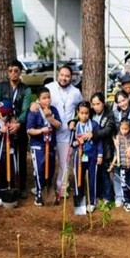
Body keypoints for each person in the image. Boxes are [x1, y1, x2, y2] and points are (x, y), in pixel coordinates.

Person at [0, 61, 31, 206]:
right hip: (4, 124)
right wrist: (5, 117)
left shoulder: (26, 89)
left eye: (16, 70)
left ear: (20, 72)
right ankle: (1, 186)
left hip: (19, 127)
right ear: (7, 73)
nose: (13, 73)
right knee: (2, 157)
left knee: (19, 157)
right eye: (11, 71)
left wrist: (19, 122)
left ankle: (20, 187)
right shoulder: (1, 86)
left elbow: (26, 108)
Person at [45, 64, 85, 202]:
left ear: (71, 78)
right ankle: (44, 187)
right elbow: (39, 101)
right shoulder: (49, 88)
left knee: (64, 163)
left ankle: (61, 189)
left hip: (66, 133)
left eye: (67, 76)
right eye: (62, 75)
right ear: (58, 75)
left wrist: (74, 120)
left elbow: (80, 110)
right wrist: (34, 104)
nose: (64, 78)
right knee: (47, 162)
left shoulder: (76, 92)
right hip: (48, 132)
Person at [25, 88, 61, 206]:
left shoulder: (53, 110)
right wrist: (41, 130)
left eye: (48, 97)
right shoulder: (34, 111)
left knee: (50, 169)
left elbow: (59, 125)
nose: (47, 100)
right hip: (38, 146)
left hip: (51, 145)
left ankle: (49, 189)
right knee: (39, 169)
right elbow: (29, 130)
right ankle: (39, 193)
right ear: (38, 100)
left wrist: (50, 118)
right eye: (44, 98)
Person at [70, 100, 99, 215]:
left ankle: (92, 202)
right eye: (81, 113)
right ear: (77, 113)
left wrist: (100, 154)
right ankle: (80, 204)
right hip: (79, 156)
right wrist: (77, 143)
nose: (84, 115)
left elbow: (99, 141)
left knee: (92, 179)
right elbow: (71, 143)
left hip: (92, 155)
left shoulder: (94, 125)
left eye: (86, 113)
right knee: (79, 179)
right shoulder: (74, 126)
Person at [114, 117, 130, 212]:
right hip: (123, 165)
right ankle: (126, 201)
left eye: (126, 129)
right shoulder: (118, 138)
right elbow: (116, 152)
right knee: (124, 184)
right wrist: (114, 162)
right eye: (122, 129)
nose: (124, 131)